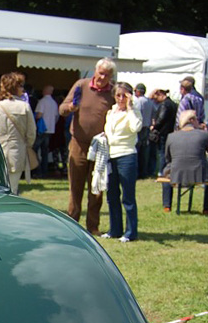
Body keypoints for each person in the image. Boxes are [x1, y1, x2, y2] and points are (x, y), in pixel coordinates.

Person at [59, 58, 116, 235]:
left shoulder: (113, 92)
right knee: (75, 186)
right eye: (100, 73)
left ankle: (93, 226)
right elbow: (62, 109)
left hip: (100, 146)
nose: (102, 77)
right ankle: (72, 224)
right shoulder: (81, 85)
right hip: (78, 143)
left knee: (96, 187)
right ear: (95, 71)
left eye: (106, 75)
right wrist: (70, 107)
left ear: (111, 76)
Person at [101, 82, 142, 241]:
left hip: (127, 155)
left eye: (124, 95)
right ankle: (115, 229)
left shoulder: (133, 112)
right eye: (118, 95)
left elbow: (136, 127)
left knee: (128, 196)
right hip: (111, 155)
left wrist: (131, 108)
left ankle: (131, 232)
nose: (120, 99)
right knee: (111, 194)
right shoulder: (111, 112)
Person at [0, 72, 36, 195]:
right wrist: (26, 145)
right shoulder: (24, 107)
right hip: (17, 152)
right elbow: (31, 133)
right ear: (15, 87)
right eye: (21, 85)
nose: (23, 89)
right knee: (13, 189)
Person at [163, 109, 208, 212]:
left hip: (176, 173)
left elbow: (168, 158)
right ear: (192, 120)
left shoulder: (171, 136)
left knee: (165, 172)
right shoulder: (203, 134)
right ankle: (207, 207)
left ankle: (167, 205)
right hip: (200, 174)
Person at [149, 89, 178, 175]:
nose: (156, 101)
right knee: (167, 152)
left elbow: (161, 118)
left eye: (156, 98)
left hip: (162, 132)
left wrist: (154, 126)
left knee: (162, 152)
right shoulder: (173, 104)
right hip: (170, 131)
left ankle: (161, 171)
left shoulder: (164, 104)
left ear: (160, 95)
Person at [33, 84, 58, 176]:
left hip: (42, 129)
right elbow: (56, 116)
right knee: (45, 151)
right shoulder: (54, 103)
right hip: (50, 129)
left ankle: (37, 170)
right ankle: (45, 170)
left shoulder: (42, 102)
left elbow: (39, 114)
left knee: (34, 149)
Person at [134, 84, 156, 178]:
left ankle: (138, 172)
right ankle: (145, 171)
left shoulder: (139, 101)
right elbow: (154, 114)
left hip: (139, 128)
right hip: (147, 127)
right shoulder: (150, 102)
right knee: (145, 151)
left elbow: (136, 114)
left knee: (137, 150)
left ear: (138, 91)